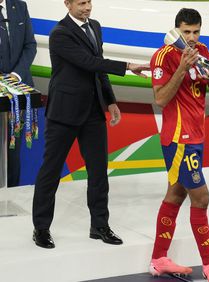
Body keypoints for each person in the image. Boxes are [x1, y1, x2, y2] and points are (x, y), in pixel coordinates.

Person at [31, 0, 149, 249]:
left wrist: (110, 101)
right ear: (67, 3)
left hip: (93, 112)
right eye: (81, 3)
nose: (87, 7)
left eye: (89, 1)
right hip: (64, 113)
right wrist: (127, 66)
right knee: (50, 173)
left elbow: (98, 67)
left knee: (98, 173)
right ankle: (41, 228)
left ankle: (99, 226)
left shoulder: (95, 26)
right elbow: (88, 62)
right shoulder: (60, 34)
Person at [149, 8, 209, 282]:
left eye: (196, 32)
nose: (192, 38)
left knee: (175, 195)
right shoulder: (163, 56)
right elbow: (160, 99)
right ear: (177, 30)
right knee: (202, 197)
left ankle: (159, 260)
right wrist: (183, 67)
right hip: (178, 139)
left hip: (197, 137)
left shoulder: (203, 50)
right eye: (186, 32)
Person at [0, 0, 36, 187]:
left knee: (13, 150)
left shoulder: (19, 6)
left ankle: (10, 195)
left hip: (17, 91)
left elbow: (30, 45)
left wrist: (15, 75)